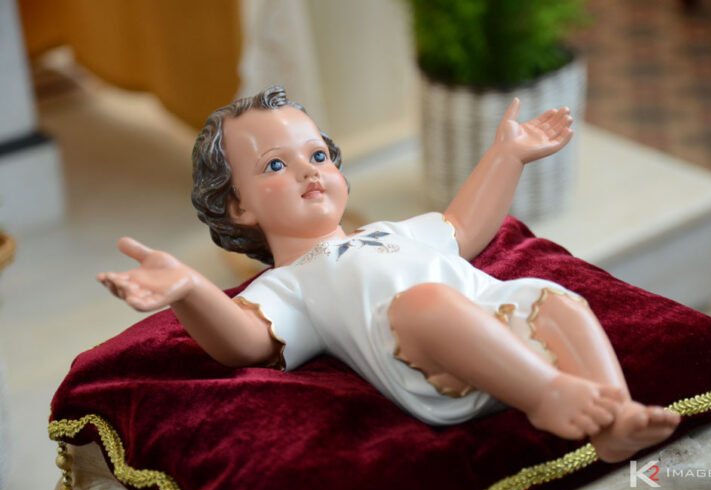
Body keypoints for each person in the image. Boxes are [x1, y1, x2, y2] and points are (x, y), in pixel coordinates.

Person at [98, 86, 680, 463]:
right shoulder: (289, 284)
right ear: (239, 207)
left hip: (500, 322)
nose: (309, 171)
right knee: (426, 303)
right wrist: (190, 290)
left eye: (318, 155)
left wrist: (507, 155)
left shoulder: (391, 230)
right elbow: (245, 343)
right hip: (431, 368)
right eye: (276, 164)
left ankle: (615, 413)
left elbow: (462, 226)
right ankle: (548, 395)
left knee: (554, 298)